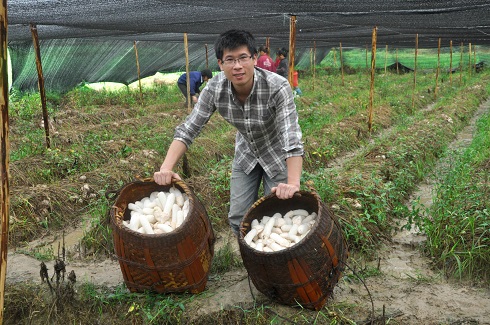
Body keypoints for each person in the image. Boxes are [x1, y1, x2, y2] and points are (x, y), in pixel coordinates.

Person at [154, 29, 304, 236]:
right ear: (220, 64)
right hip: (247, 153)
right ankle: (250, 260)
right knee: (238, 218)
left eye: (243, 58)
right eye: (230, 60)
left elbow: (291, 136)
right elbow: (189, 129)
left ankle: (275, 265)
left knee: (278, 215)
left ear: (254, 58)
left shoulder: (277, 87)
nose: (238, 66)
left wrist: (293, 183)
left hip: (277, 153)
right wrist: (166, 168)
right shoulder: (215, 89)